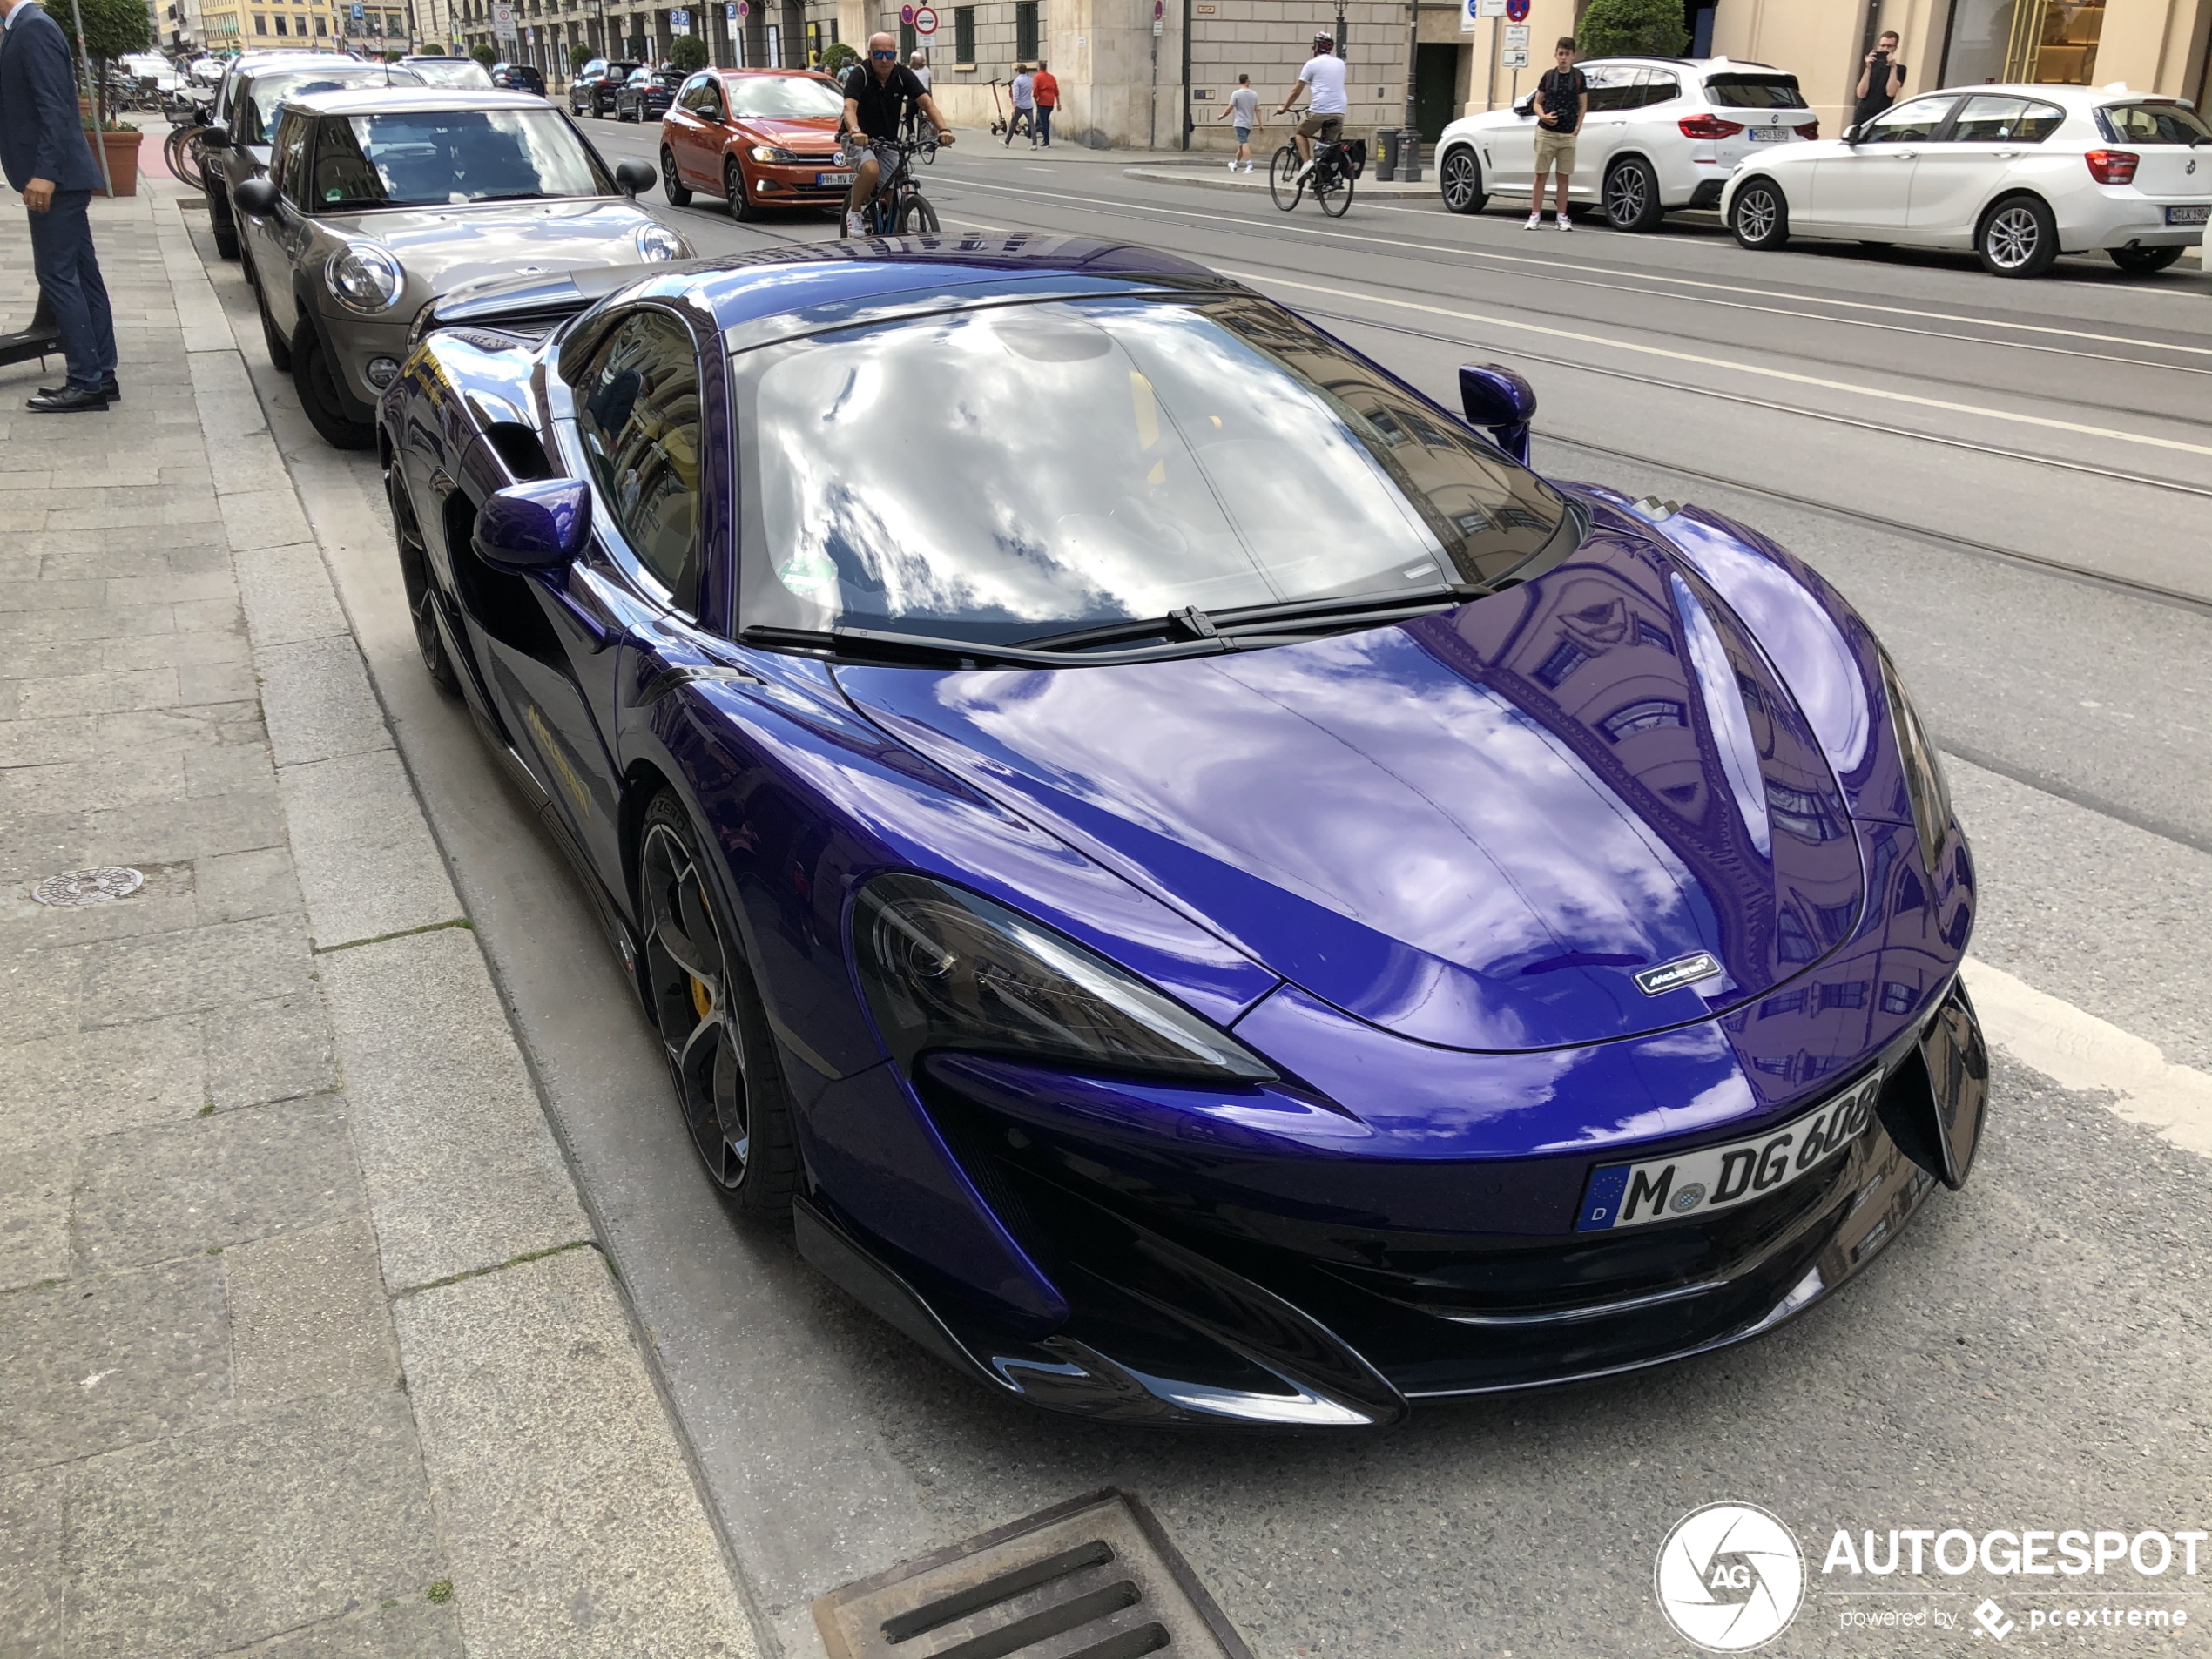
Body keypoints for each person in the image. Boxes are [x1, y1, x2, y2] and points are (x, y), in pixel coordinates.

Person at [0, 0, 118, 411]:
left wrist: (45, 172)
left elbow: (56, 108)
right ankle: (101, 376)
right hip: (58, 177)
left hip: (54, 180)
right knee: (82, 277)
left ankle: (86, 381)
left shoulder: (33, 27)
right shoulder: (23, 28)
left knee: (57, 276)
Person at [840, 30, 952, 236]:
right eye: (878, 54)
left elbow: (927, 103)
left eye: (890, 55)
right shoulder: (861, 74)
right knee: (871, 170)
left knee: (896, 192)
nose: (884, 60)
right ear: (869, 54)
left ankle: (893, 233)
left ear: (896, 55)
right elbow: (849, 107)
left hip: (889, 140)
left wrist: (943, 129)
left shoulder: (902, 75)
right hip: (857, 137)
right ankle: (854, 212)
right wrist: (856, 131)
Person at [1528, 36, 1586, 232]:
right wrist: (1543, 116)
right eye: (1560, 54)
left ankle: (1562, 216)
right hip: (1547, 133)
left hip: (1568, 134)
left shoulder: (1578, 77)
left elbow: (1583, 105)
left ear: (1573, 56)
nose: (1563, 58)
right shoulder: (1548, 76)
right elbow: (1537, 101)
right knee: (1540, 175)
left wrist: (1577, 128)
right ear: (1555, 55)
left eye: (1567, 54)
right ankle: (1535, 214)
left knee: (1563, 177)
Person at [1275, 32, 1345, 179]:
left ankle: (1307, 163)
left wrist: (1285, 107)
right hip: (1339, 111)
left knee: (1300, 133)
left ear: (1317, 47)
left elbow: (1296, 91)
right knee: (1329, 147)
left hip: (1320, 110)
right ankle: (1326, 182)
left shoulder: (1311, 64)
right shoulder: (1340, 64)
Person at [1854, 30, 1905, 127]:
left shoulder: (1900, 69)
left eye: (1889, 46)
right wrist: (1868, 69)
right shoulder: (1870, 67)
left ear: (1895, 48)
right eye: (1882, 45)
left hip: (1883, 115)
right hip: (1863, 115)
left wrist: (1893, 67)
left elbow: (1890, 92)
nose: (1885, 49)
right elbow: (1861, 94)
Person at [1216, 71, 1259, 172]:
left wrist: (1222, 116)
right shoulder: (1254, 94)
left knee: (1244, 143)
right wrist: (1260, 124)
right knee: (1241, 144)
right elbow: (1257, 110)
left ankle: (1249, 165)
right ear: (1247, 81)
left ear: (1240, 82)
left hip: (1240, 123)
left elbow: (1229, 108)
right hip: (1249, 123)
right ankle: (1235, 164)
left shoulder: (1236, 94)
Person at [1005, 61, 1035, 145]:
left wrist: (1013, 108)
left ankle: (1007, 142)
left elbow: (1016, 95)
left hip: (1020, 106)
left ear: (1018, 71)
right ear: (1026, 71)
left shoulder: (1017, 81)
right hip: (1029, 105)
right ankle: (1034, 144)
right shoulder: (1031, 80)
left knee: (1013, 124)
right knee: (1032, 124)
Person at [1031, 57, 1056, 146]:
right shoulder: (1052, 77)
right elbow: (1056, 90)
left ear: (1039, 67)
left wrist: (1036, 98)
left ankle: (1046, 141)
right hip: (1051, 102)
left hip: (1042, 101)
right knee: (1046, 120)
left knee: (1043, 122)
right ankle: (1046, 139)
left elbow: (1035, 89)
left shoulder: (1037, 77)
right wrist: (1059, 103)